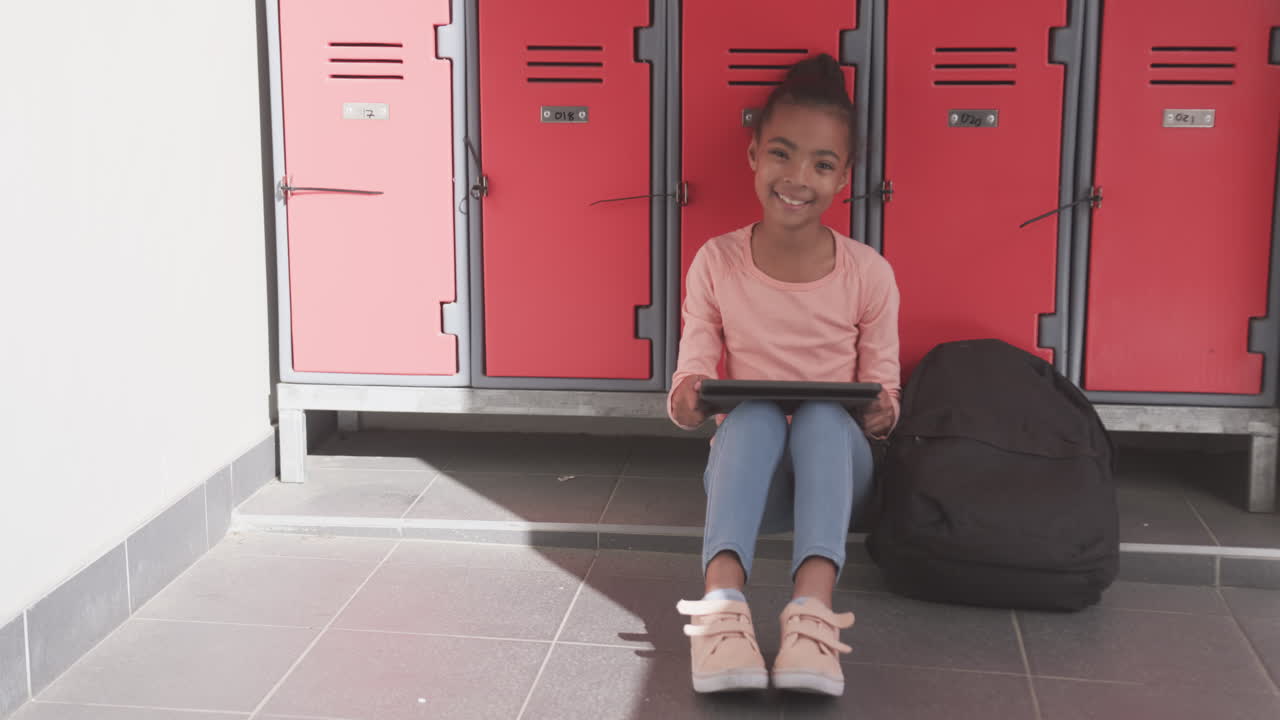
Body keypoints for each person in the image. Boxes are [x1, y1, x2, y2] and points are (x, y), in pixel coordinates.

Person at [669, 52, 901, 697]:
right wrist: (688, 399)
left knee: (824, 416)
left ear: (844, 177)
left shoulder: (868, 272)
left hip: (837, 481)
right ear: (754, 156)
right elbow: (691, 372)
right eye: (781, 154)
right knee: (754, 414)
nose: (798, 178)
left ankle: (811, 618)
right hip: (749, 480)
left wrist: (882, 411)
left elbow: (885, 393)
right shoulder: (716, 261)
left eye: (822, 164)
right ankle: (721, 610)